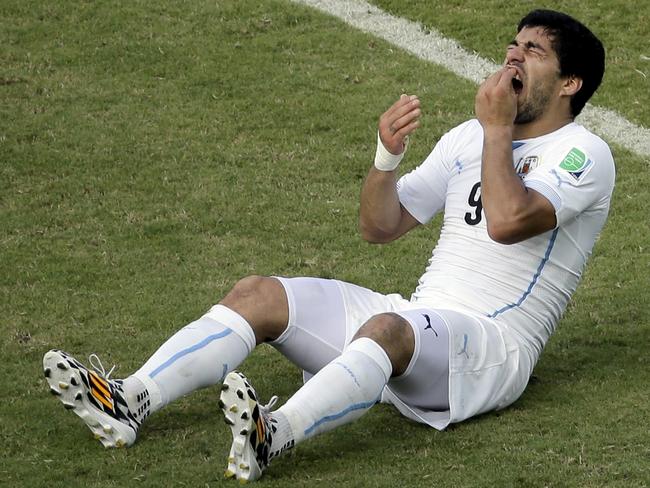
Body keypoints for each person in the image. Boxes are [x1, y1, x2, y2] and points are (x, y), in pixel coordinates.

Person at [43, 9, 614, 483]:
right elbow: (381, 226)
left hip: (490, 350)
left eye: (534, 52)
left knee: (388, 327)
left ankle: (274, 435)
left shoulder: (583, 153)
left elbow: (509, 222)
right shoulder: (468, 136)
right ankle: (128, 401)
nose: (512, 57)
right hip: (416, 325)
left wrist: (497, 129)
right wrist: (386, 156)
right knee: (259, 294)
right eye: (512, 45)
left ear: (570, 84)